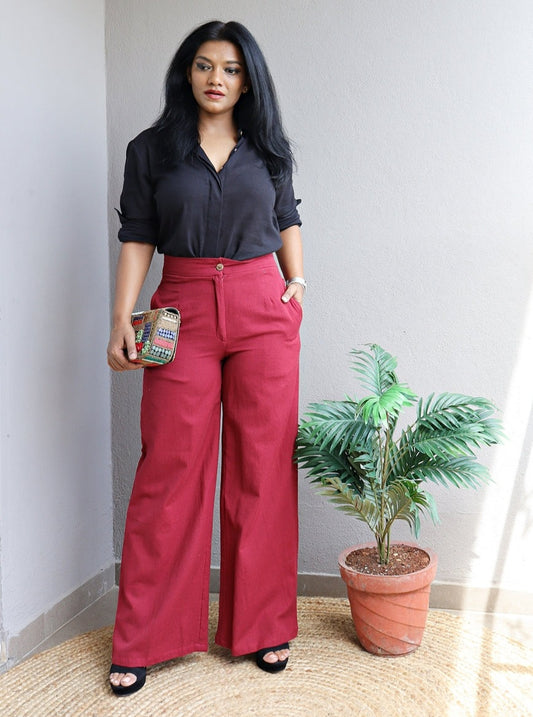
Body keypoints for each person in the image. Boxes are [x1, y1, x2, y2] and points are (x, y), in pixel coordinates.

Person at [106, 20, 305, 696]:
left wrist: (294, 285)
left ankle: (263, 625)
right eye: (202, 65)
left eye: (229, 67)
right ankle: (144, 638)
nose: (215, 78)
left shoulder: (268, 151)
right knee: (170, 467)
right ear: (185, 75)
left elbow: (287, 216)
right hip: (181, 306)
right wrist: (119, 318)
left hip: (260, 308)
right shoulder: (152, 150)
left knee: (262, 466)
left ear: (248, 79)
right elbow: (137, 233)